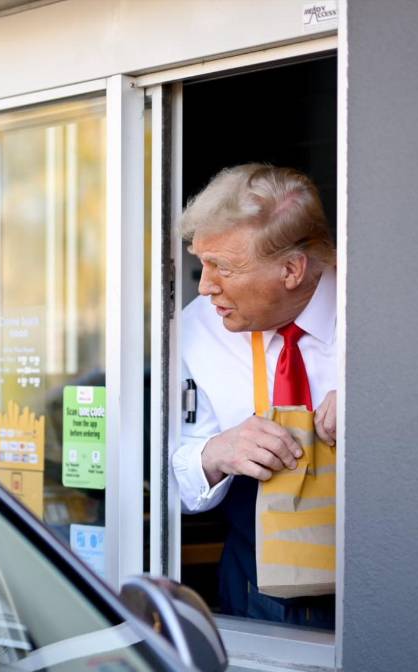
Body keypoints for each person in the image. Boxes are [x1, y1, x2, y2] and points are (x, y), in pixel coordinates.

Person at [173, 164, 337, 628]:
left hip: (382, 583)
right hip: (256, 586)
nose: (205, 286)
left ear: (292, 269)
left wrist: (382, 403)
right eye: (201, 263)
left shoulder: (376, 308)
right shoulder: (197, 328)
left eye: (222, 267)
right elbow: (176, 478)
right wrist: (214, 453)